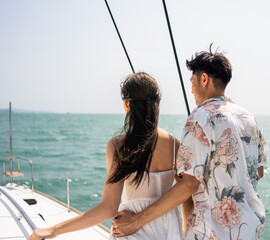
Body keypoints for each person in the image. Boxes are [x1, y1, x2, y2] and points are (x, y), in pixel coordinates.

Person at [112, 47, 268, 240]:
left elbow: (188, 185)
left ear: (204, 79)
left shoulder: (199, 118)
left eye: (193, 82)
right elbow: (257, 172)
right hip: (249, 229)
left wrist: (137, 220)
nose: (192, 89)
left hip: (212, 232)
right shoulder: (248, 118)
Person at [29, 72, 183, 240]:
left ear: (126, 104)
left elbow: (108, 208)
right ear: (158, 104)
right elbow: (185, 194)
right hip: (171, 232)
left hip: (129, 230)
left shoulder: (118, 146)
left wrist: (53, 231)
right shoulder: (175, 145)